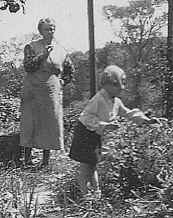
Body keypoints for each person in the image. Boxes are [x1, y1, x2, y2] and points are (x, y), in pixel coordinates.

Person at [69, 65, 160, 199]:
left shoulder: (116, 101)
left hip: (95, 135)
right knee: (85, 166)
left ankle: (96, 193)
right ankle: (85, 195)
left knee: (93, 164)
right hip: (84, 133)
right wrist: (104, 125)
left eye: (122, 84)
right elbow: (86, 117)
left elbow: (128, 113)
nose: (121, 88)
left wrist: (146, 120)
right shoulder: (98, 99)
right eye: (117, 84)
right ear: (106, 84)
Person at [20, 18, 75, 168]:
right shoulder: (31, 46)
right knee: (30, 122)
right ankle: (27, 160)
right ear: (40, 31)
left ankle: (45, 162)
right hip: (32, 89)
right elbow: (28, 66)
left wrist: (61, 82)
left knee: (49, 123)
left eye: (52, 29)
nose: (50, 32)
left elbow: (70, 71)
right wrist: (43, 55)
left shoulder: (61, 49)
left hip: (51, 91)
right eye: (47, 29)